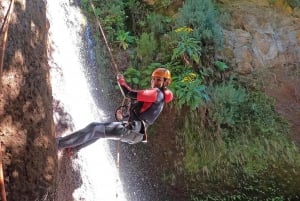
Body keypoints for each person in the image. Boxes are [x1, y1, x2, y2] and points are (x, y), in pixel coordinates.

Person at [56, 67, 173, 152]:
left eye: (159, 80)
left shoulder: (156, 93)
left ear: (165, 82)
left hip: (133, 130)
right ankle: (74, 148)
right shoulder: (159, 99)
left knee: (94, 127)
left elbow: (128, 93)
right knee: (99, 131)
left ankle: (59, 144)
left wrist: (121, 81)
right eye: (154, 79)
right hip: (136, 132)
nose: (154, 82)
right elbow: (140, 115)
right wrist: (122, 118)